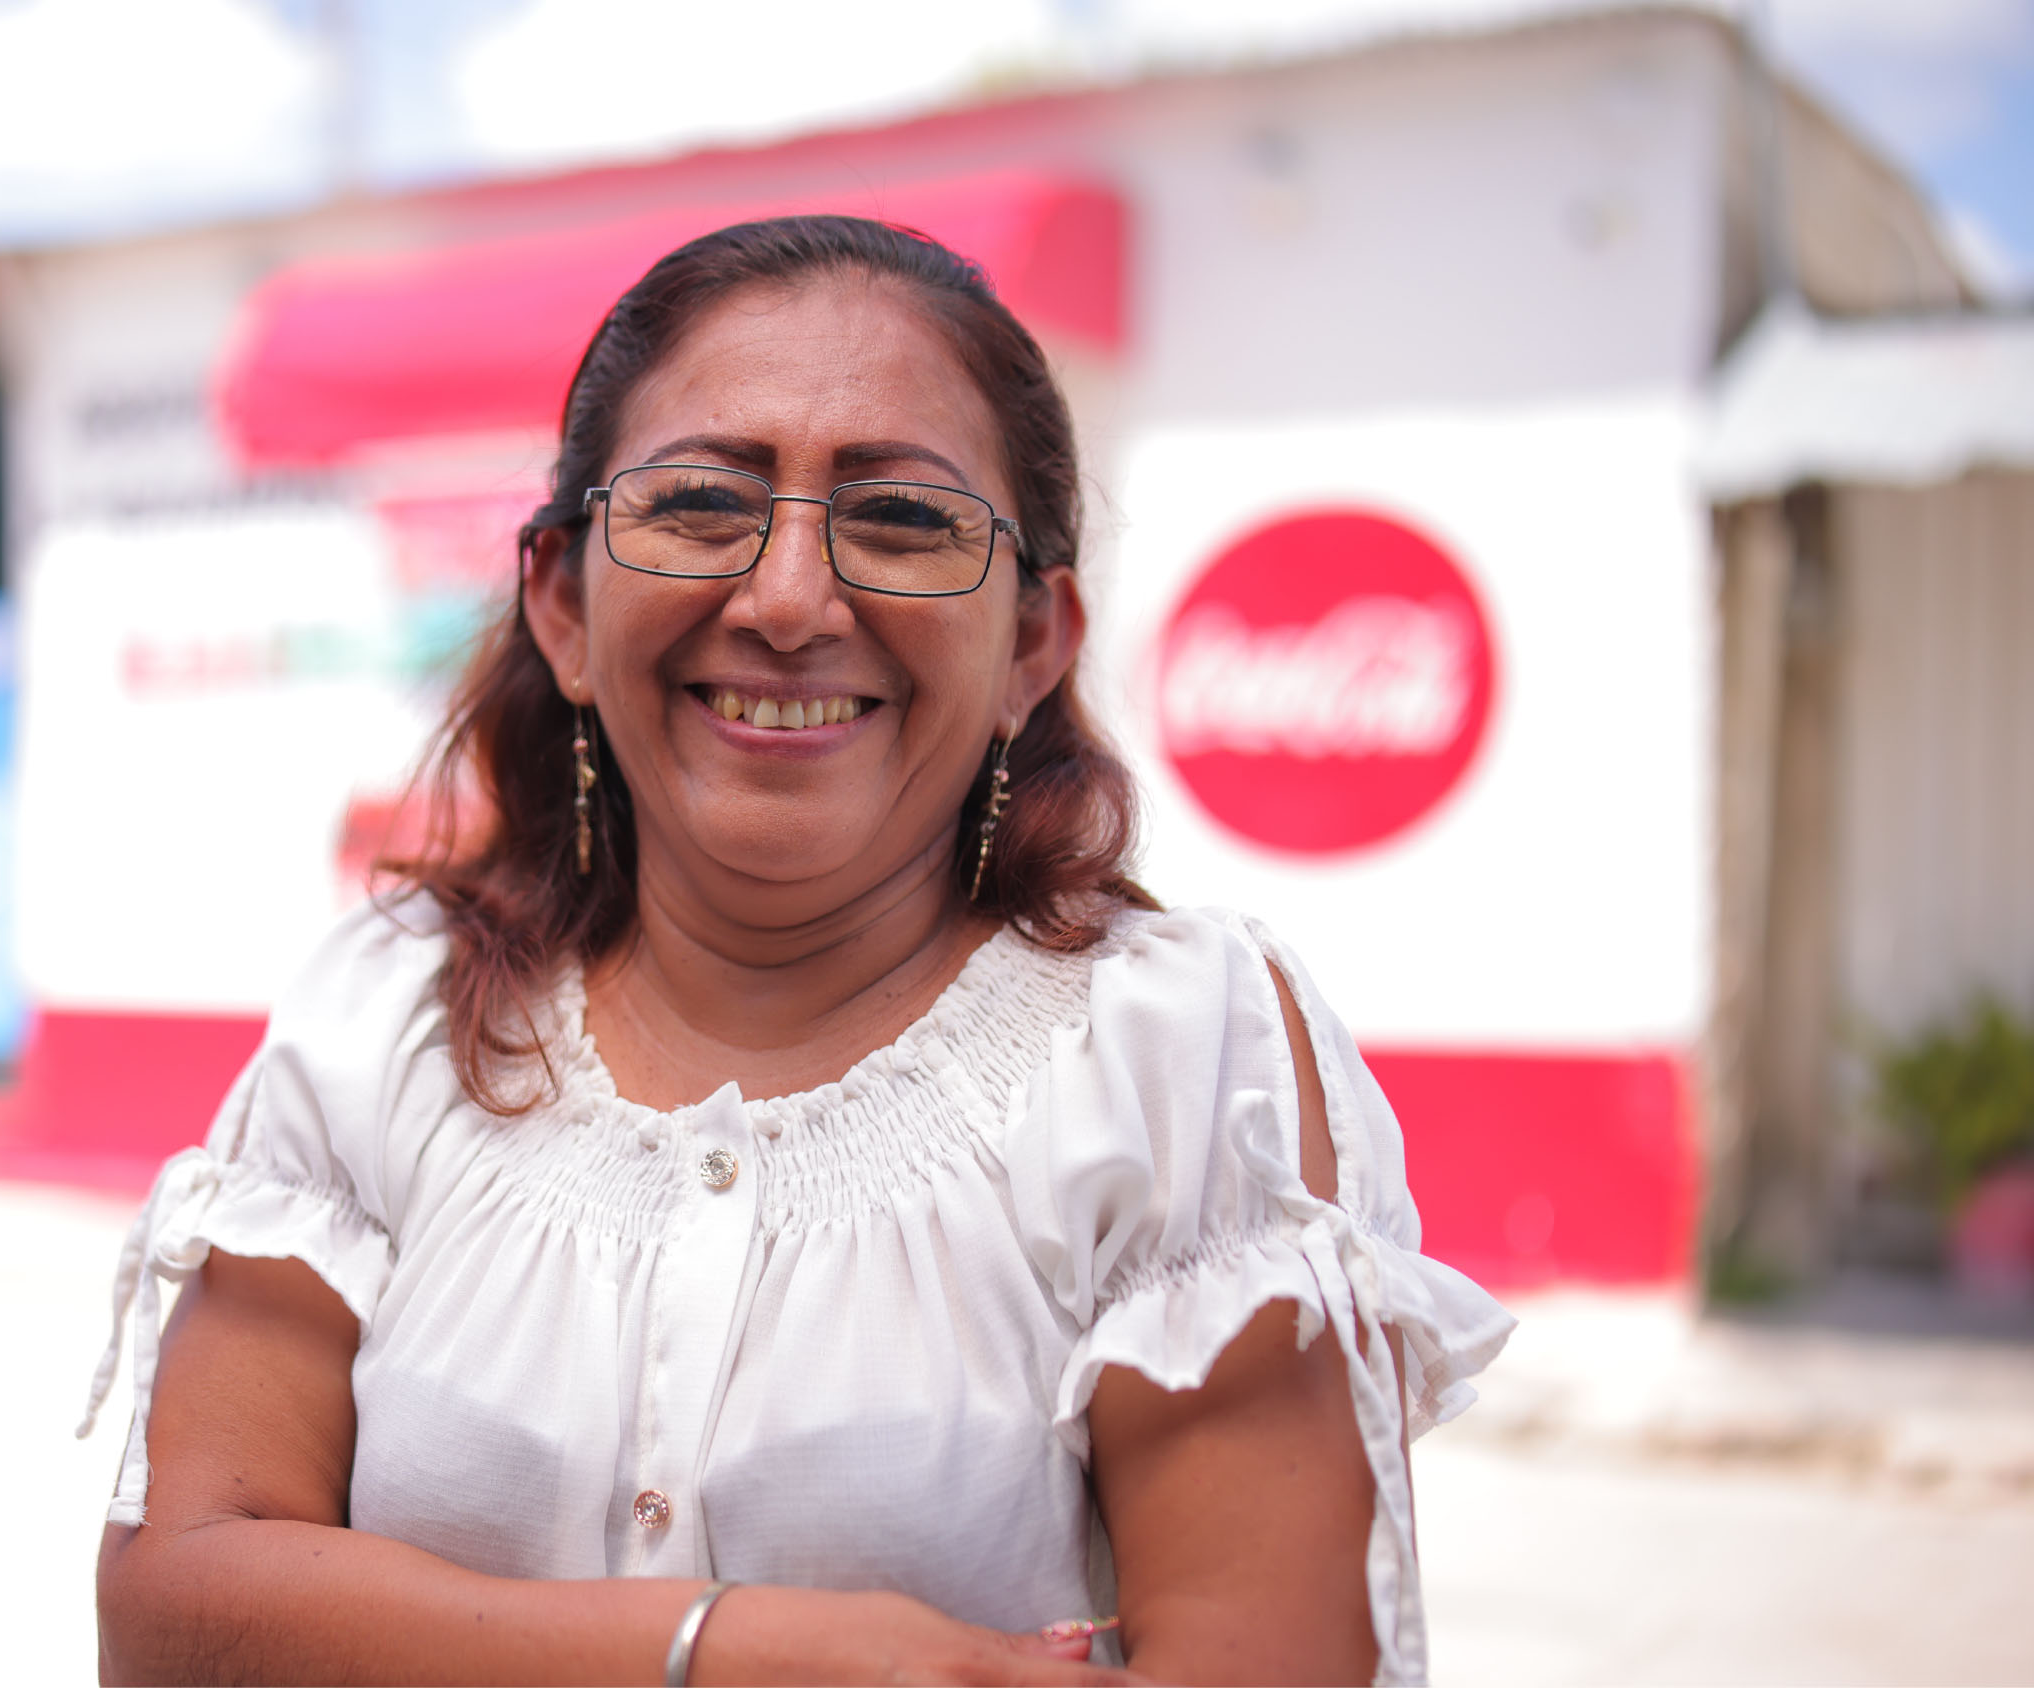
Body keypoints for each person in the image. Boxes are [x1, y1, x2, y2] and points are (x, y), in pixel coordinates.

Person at [84, 215, 1512, 1685]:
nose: (786, 602)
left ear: (1037, 642)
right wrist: (743, 1655)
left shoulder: (1179, 1060)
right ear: (564, 606)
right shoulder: (383, 1016)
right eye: (702, 503)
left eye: (903, 521)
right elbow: (178, 1614)